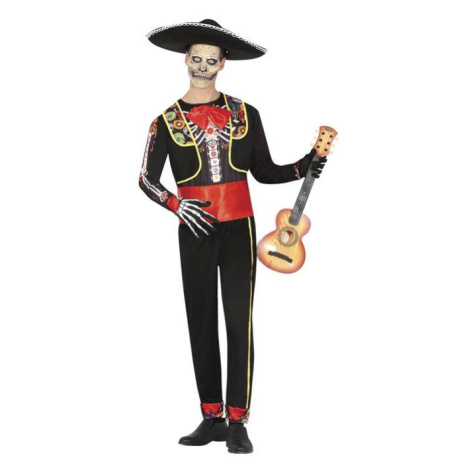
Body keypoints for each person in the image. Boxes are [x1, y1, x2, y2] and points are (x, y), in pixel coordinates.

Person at [139, 19, 326, 454]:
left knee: (239, 321)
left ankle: (238, 420)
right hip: (195, 228)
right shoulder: (164, 122)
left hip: (240, 225)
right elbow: (146, 178)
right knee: (201, 320)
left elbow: (263, 171)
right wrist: (175, 204)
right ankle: (212, 417)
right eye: (196, 57)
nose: (203, 65)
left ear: (223, 63)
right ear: (186, 59)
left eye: (212, 59)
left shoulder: (245, 113)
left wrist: (303, 165)